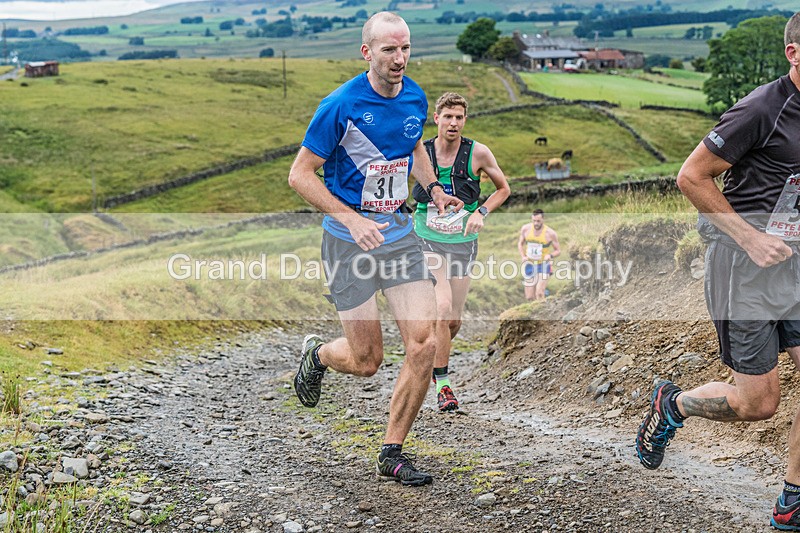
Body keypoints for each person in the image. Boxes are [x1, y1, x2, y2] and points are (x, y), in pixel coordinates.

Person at [635, 12, 800, 530]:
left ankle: (793, 498)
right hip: (743, 267)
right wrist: (750, 238)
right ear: (794, 54)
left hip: (794, 267)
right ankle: (675, 404)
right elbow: (691, 176)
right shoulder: (761, 109)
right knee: (758, 403)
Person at [287, 12, 462, 487]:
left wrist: (434, 189)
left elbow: (414, 149)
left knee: (424, 342)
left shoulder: (415, 97)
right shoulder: (339, 105)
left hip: (399, 235)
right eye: (389, 50)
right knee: (367, 360)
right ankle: (318, 356)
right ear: (367, 52)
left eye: (405, 48)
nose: (399, 58)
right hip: (348, 243)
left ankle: (392, 451)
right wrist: (351, 217)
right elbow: (300, 175)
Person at [411, 92, 510, 412]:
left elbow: (503, 189)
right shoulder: (420, 152)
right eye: (448, 116)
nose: (453, 123)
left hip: (463, 242)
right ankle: (443, 385)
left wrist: (481, 213)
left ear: (465, 120)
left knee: (452, 320)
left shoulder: (478, 153)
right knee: (441, 307)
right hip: (426, 237)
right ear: (436, 118)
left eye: (459, 117)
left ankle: (437, 349)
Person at [517, 209, 560, 300]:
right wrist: (523, 256)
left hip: (543, 264)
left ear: (543, 219)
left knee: (539, 293)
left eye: (538, 221)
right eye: (534, 221)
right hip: (530, 264)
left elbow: (558, 251)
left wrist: (550, 255)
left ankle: (543, 312)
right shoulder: (526, 229)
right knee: (529, 297)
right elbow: (520, 244)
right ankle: (534, 313)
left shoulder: (550, 233)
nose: (536, 223)